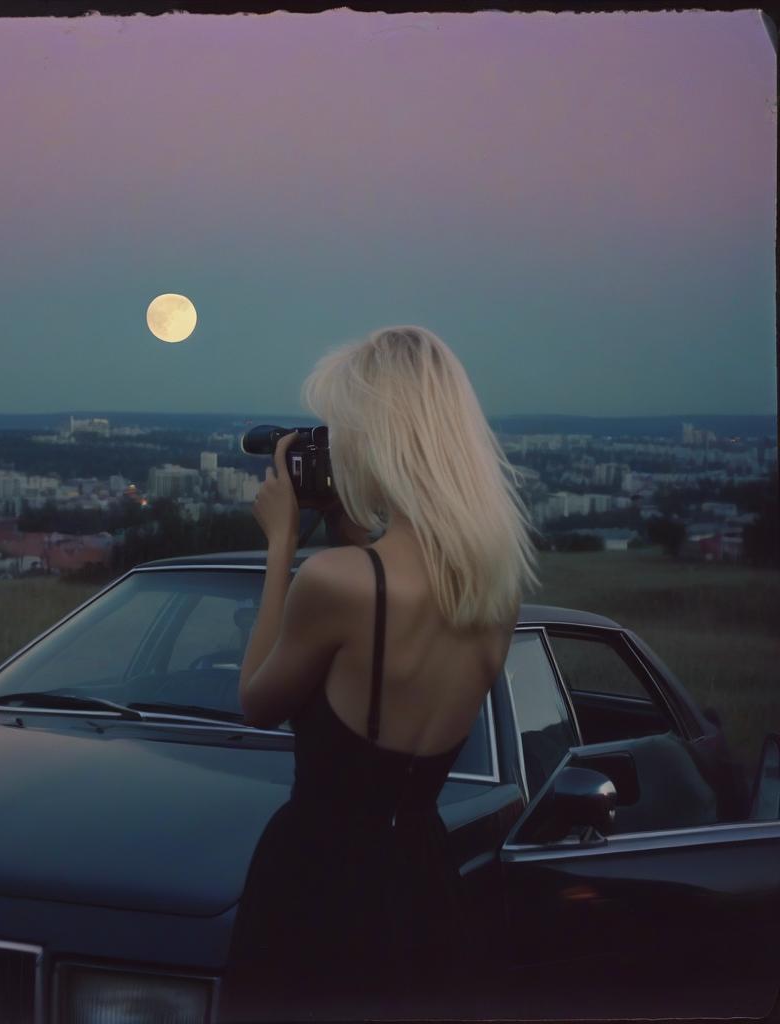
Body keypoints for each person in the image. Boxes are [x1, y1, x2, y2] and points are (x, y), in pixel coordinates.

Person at [217, 326, 540, 1022]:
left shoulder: (338, 582)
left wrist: (281, 546)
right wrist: (350, 530)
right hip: (423, 877)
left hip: (319, 879)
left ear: (376, 437)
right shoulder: (496, 592)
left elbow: (256, 702)